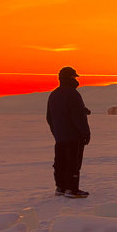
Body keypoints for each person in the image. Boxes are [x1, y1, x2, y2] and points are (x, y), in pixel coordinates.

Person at [46, 66, 91, 198]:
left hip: (60, 137)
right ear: (70, 78)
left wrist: (56, 132)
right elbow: (77, 116)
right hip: (74, 136)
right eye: (74, 77)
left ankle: (61, 187)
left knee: (60, 162)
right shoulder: (73, 94)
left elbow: (49, 117)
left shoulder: (54, 95)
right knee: (73, 162)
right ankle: (72, 189)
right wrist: (85, 134)